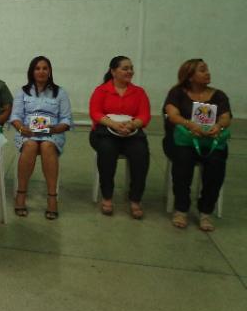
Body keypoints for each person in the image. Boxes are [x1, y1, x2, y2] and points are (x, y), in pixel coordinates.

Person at [163, 59, 232, 232]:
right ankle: (181, 208)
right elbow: (172, 115)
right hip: (183, 139)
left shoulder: (219, 95)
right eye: (202, 70)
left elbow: (225, 117)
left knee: (216, 164)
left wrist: (218, 126)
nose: (207, 73)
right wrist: (190, 125)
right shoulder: (177, 93)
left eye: (207, 69)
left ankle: (205, 211)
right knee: (182, 163)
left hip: (210, 140)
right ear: (190, 76)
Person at [9, 56, 72, 220]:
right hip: (27, 133)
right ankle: (21, 194)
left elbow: (66, 120)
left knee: (46, 146)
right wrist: (22, 128)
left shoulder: (60, 92)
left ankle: (52, 197)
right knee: (30, 146)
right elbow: (15, 116)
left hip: (52, 133)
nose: (41, 71)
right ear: (32, 71)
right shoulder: (22, 91)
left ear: (50, 71)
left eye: (45, 68)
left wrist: (55, 128)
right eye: (37, 68)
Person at [89, 56, 151, 219]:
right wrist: (113, 124)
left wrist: (132, 125)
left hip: (131, 133)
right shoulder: (101, 90)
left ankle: (135, 199)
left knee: (141, 153)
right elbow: (95, 112)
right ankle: (107, 196)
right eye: (125, 68)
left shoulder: (139, 92)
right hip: (105, 132)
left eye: (131, 68)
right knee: (107, 151)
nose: (130, 71)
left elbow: (144, 115)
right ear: (113, 71)